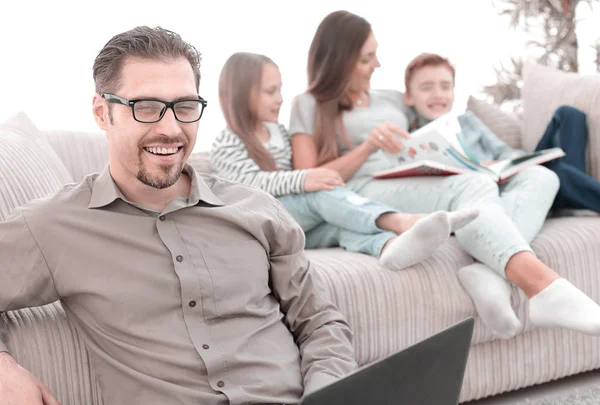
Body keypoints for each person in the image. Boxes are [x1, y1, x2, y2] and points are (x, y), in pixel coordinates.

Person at [0, 27, 357, 405]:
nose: (170, 129)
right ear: (102, 113)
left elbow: (320, 322)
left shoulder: (257, 209)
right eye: (147, 107)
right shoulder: (57, 226)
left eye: (184, 107)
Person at [288, 9, 600, 340]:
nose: (378, 64)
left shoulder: (391, 98)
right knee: (474, 186)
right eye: (367, 58)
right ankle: (543, 286)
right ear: (341, 59)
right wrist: (366, 148)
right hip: (368, 189)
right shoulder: (308, 104)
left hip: (414, 177)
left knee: (542, 178)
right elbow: (309, 179)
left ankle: (489, 272)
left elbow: (435, 113)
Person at [211, 52, 479, 271]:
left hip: (294, 226)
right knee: (318, 194)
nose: (280, 98)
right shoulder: (227, 141)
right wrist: (305, 178)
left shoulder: (278, 133)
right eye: (271, 91)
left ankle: (388, 248)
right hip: (260, 223)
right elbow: (247, 186)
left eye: (280, 90)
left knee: (341, 223)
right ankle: (399, 221)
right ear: (242, 94)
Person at [403, 52, 600, 214]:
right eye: (427, 88)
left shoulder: (467, 121)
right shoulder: (415, 142)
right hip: (509, 187)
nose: (438, 94)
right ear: (409, 97)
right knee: (558, 174)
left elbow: (503, 151)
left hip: (512, 169)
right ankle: (574, 191)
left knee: (568, 115)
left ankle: (572, 194)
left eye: (445, 87)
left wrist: (513, 161)